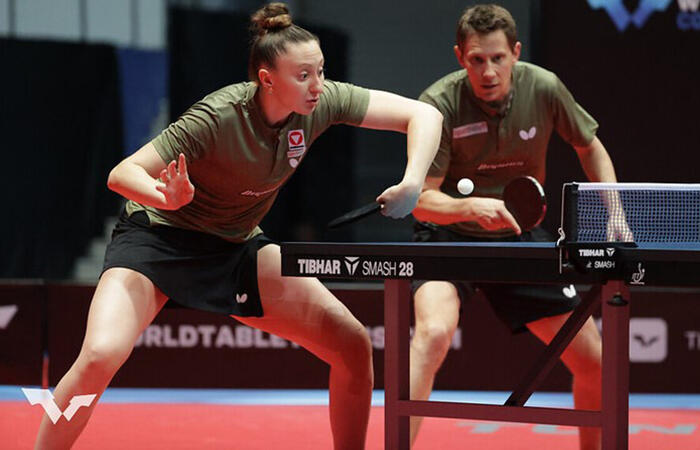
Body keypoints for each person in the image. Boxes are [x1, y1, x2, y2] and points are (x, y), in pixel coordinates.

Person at [33, 3, 441, 449]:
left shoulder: (322, 102)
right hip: (158, 240)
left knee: (351, 344)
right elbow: (123, 173)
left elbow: (424, 116)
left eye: (321, 71)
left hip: (234, 245)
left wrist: (413, 181)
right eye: (303, 75)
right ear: (267, 79)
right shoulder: (217, 116)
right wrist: (163, 196)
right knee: (99, 355)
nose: (318, 85)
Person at [409, 4, 631, 449]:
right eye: (476, 59)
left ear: (515, 52)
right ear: (459, 56)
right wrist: (470, 208)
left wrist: (615, 210)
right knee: (432, 334)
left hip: (518, 234)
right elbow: (421, 203)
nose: (488, 71)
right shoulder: (437, 105)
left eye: (497, 58)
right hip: (451, 237)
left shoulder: (544, 88)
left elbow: (590, 147)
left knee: (595, 362)